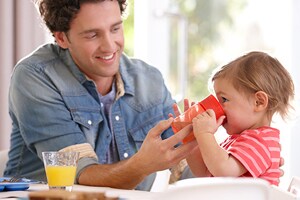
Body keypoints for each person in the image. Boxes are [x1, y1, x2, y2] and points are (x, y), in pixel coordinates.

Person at [4, 0, 197, 191]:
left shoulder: (149, 80)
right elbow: (80, 176)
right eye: (93, 35)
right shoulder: (37, 76)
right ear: (61, 38)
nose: (109, 46)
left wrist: (206, 144)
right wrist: (143, 164)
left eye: (115, 29)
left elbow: (185, 168)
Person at [186, 51, 294, 185]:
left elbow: (223, 171)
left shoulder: (259, 141)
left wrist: (204, 134)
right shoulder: (239, 140)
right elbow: (203, 172)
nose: (217, 108)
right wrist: (192, 136)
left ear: (258, 102)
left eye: (224, 99)